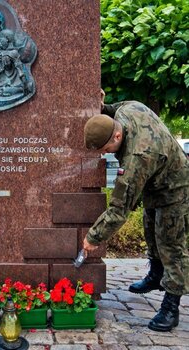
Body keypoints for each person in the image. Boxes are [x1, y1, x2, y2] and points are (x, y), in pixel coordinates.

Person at [83, 93, 189, 332]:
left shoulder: (136, 158)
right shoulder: (127, 110)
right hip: (155, 181)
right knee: (150, 229)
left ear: (118, 135)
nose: (108, 154)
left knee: (171, 244)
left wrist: (93, 237)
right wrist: (101, 106)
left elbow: (120, 209)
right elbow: (110, 109)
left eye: (108, 148)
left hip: (176, 187)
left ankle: (171, 307)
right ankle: (155, 275)